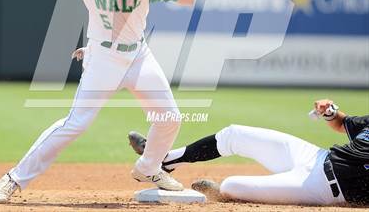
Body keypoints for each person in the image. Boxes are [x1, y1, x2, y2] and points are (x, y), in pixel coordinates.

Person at [0, 0, 195, 203]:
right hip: (103, 58)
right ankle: (13, 178)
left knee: (169, 117)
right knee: (76, 124)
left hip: (138, 55)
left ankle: (148, 168)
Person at [128, 99, 369, 206]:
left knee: (232, 186)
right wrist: (330, 112)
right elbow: (342, 123)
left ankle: (222, 193)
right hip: (316, 156)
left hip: (324, 187)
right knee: (235, 134)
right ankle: (166, 161)